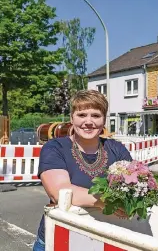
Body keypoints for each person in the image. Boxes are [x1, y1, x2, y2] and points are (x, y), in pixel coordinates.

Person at [32, 90, 132, 251]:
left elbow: (133, 182)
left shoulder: (116, 149)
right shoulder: (55, 148)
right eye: (82, 115)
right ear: (72, 118)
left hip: (106, 238)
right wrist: (106, 201)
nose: (89, 121)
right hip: (59, 239)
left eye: (96, 115)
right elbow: (59, 192)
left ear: (104, 119)